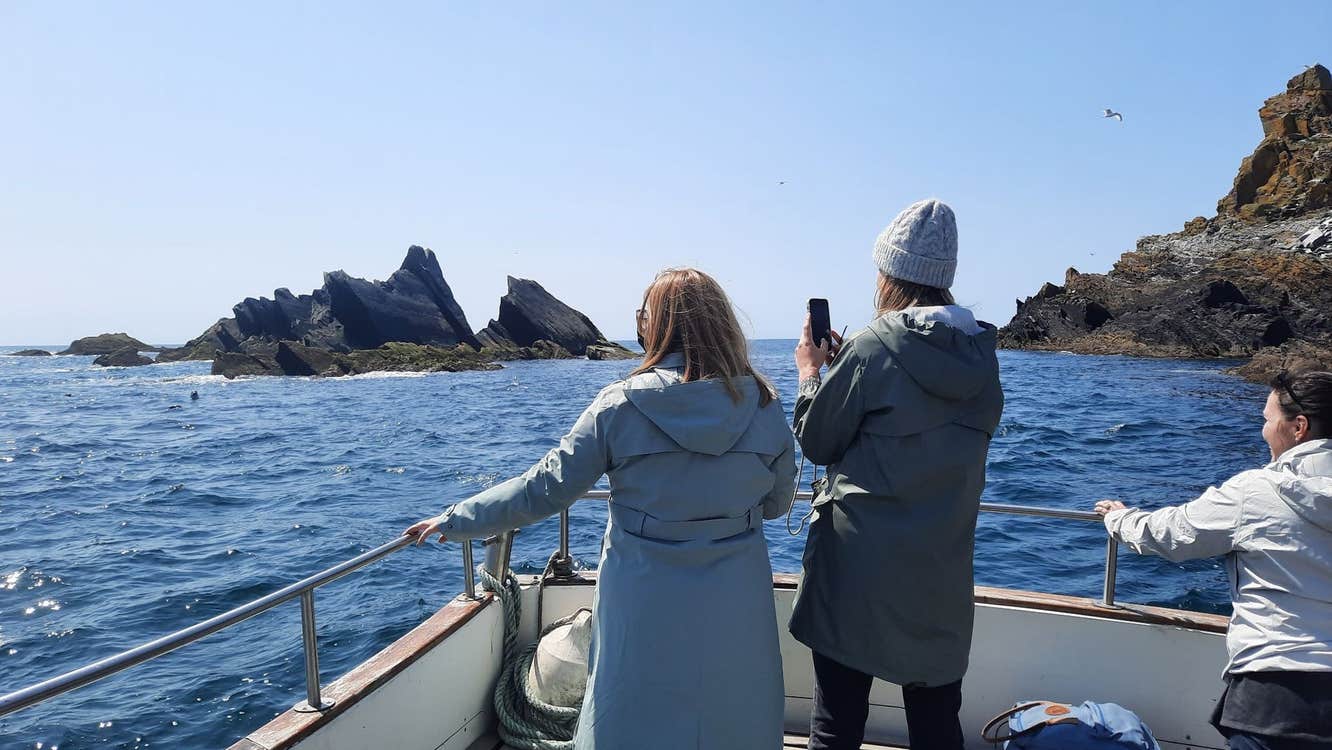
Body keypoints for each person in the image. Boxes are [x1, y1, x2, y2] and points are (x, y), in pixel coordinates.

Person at [405, 268, 797, 750]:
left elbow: (542, 490)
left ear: (652, 327)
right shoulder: (764, 404)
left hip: (643, 591)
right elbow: (777, 505)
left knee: (632, 704)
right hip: (736, 592)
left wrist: (457, 519)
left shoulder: (619, 406)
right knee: (734, 701)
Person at [789, 198, 1004, 750]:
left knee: (836, 726)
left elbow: (818, 439)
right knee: (935, 726)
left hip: (858, 571)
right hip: (939, 572)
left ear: (889, 275)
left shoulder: (872, 347)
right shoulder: (982, 357)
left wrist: (814, 375)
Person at [1094, 370, 1332, 750]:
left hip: (1279, 696)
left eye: (1268, 421)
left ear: (1298, 427)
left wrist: (1120, 518)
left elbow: (1171, 533)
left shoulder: (1257, 491)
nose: (1263, 431)